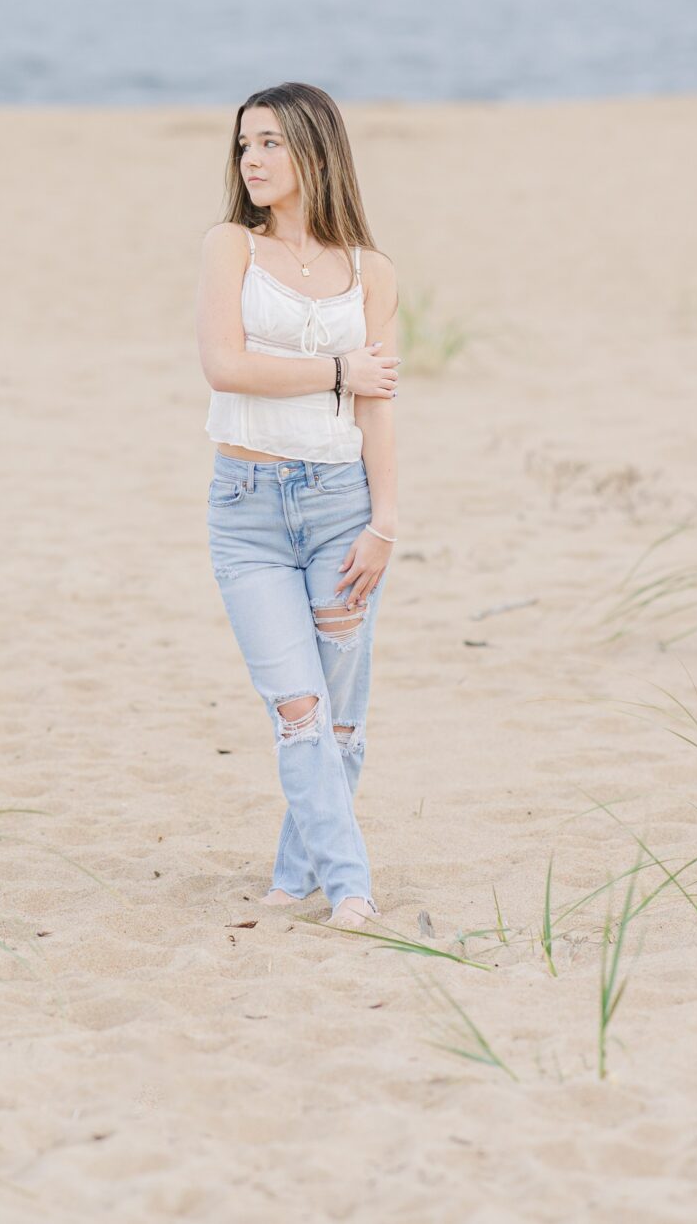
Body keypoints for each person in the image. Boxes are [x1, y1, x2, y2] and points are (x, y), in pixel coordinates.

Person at [195, 81, 403, 930]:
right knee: (299, 708)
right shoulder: (228, 248)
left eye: (272, 142)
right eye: (246, 143)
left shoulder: (371, 272)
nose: (253, 159)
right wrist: (336, 372)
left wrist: (385, 521)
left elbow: (380, 402)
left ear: (317, 150)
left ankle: (296, 871)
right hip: (246, 511)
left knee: (342, 720)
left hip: (339, 508)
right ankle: (351, 886)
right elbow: (225, 365)